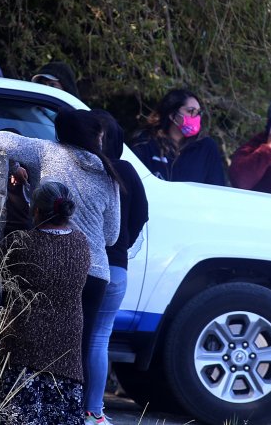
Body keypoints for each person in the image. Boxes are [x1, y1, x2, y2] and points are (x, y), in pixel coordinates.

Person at [0, 109, 121, 420]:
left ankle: (25, 407)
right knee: (81, 346)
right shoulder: (108, 172)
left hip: (48, 256)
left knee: (31, 333)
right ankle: (77, 412)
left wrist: (25, 167)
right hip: (95, 270)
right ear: (94, 136)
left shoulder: (46, 150)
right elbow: (112, 236)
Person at [0, 181, 91, 424]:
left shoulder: (21, 243)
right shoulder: (82, 243)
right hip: (68, 344)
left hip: (24, 345)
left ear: (36, 211)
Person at [85, 110, 149, 424]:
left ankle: (69, 406)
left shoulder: (86, 167)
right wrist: (122, 245)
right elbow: (141, 214)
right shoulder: (126, 169)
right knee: (100, 339)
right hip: (117, 268)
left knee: (78, 335)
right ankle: (94, 412)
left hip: (87, 266)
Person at [130, 89, 225, 186]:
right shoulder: (146, 143)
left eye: (198, 113)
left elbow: (217, 187)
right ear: (172, 115)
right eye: (191, 111)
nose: (196, 117)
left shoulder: (206, 147)